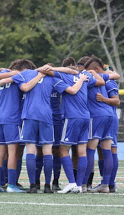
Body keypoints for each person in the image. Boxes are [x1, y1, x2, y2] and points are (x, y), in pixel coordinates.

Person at [37, 57, 103, 193]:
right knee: (82, 151)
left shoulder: (63, 77)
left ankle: (72, 183)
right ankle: (79, 185)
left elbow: (51, 73)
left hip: (72, 117)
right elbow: (101, 81)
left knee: (63, 150)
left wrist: (53, 69)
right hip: (86, 117)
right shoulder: (85, 76)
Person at [0, 59, 34, 193]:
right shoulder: (18, 78)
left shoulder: (4, 77)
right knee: (13, 152)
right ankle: (11, 185)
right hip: (12, 119)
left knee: (0, 153)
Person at [84, 56, 120, 193]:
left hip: (102, 117)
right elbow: (116, 74)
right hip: (107, 116)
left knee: (96, 149)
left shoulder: (105, 80)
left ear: (95, 69)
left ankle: (90, 184)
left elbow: (117, 101)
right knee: (105, 150)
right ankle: (106, 184)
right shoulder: (105, 77)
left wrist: (103, 99)